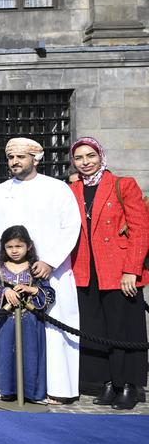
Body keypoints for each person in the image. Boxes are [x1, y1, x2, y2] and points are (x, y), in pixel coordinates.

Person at [0, 138, 82, 404]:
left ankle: (58, 388)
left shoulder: (57, 189)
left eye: (20, 157)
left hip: (51, 272)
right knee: (10, 331)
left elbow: (70, 226)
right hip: (9, 274)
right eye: (10, 158)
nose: (14, 162)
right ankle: (11, 386)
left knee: (56, 330)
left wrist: (51, 261)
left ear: (36, 158)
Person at [68, 137, 148, 410]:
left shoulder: (123, 185)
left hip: (118, 269)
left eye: (90, 155)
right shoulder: (72, 189)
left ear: (101, 156)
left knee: (122, 329)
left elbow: (140, 230)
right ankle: (105, 383)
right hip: (85, 270)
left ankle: (127, 384)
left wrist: (131, 270)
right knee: (95, 329)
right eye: (79, 158)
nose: (85, 162)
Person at [0, 225, 53, 404]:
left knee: (31, 353)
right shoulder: (0, 269)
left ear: (29, 246)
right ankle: (6, 389)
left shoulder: (35, 269)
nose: (14, 251)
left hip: (31, 321)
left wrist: (31, 289)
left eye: (19, 246)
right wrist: (5, 292)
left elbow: (48, 293)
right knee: (5, 351)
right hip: (6, 321)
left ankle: (33, 392)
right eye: (9, 247)